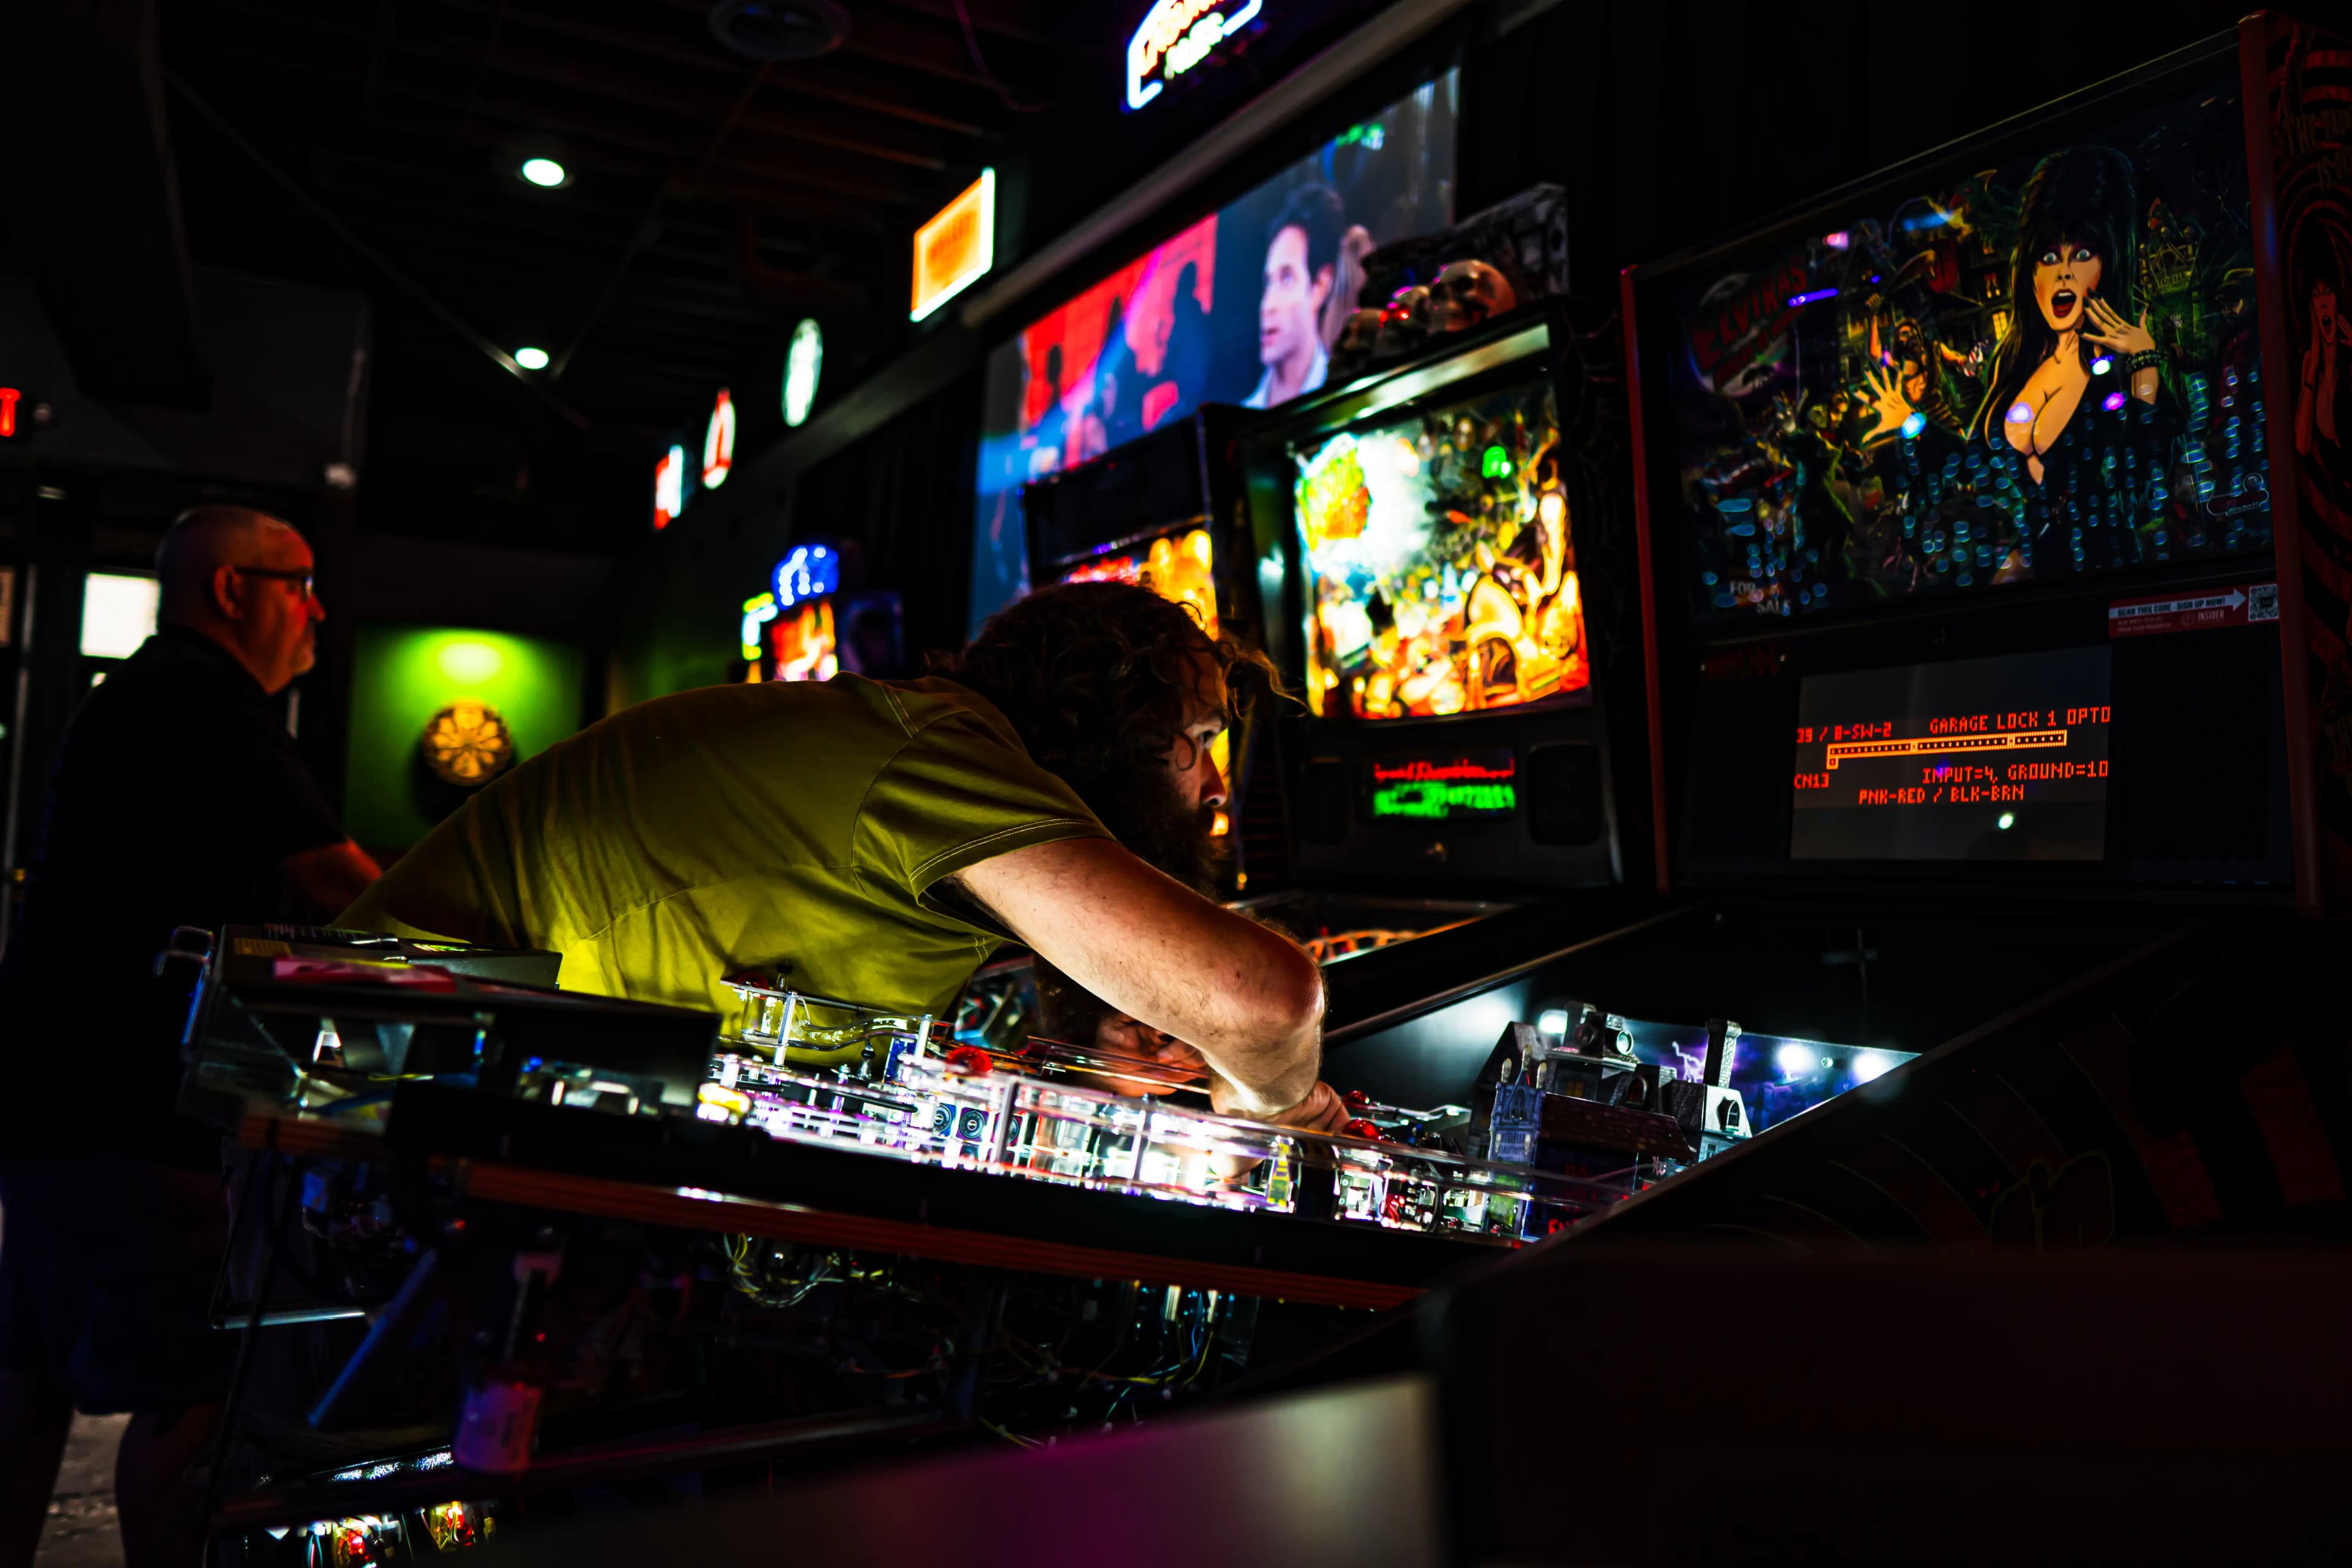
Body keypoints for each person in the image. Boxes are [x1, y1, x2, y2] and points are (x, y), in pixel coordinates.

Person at [337, 582, 1344, 1133]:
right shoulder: (931, 759)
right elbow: (1261, 1000)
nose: (1217, 788)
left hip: (413, 1090)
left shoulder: (919, 752)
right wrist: (1281, 1103)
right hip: (377, 1096)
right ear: (1105, 726)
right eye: (1202, 739)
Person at [0, 506, 379, 1568]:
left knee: (29, 1375)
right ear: (232, 590)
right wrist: (485, 943)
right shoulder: (198, 690)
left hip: (58, 1087)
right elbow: (330, 877)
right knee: (195, 1391)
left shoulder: (151, 691)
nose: (317, 612)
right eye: (302, 584)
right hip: (127, 1102)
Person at [1244, 183, 1347, 410]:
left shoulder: (1342, 397)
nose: (1267, 306)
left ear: (1321, 285)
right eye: (1269, 282)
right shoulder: (1241, 419)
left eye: (1287, 279)